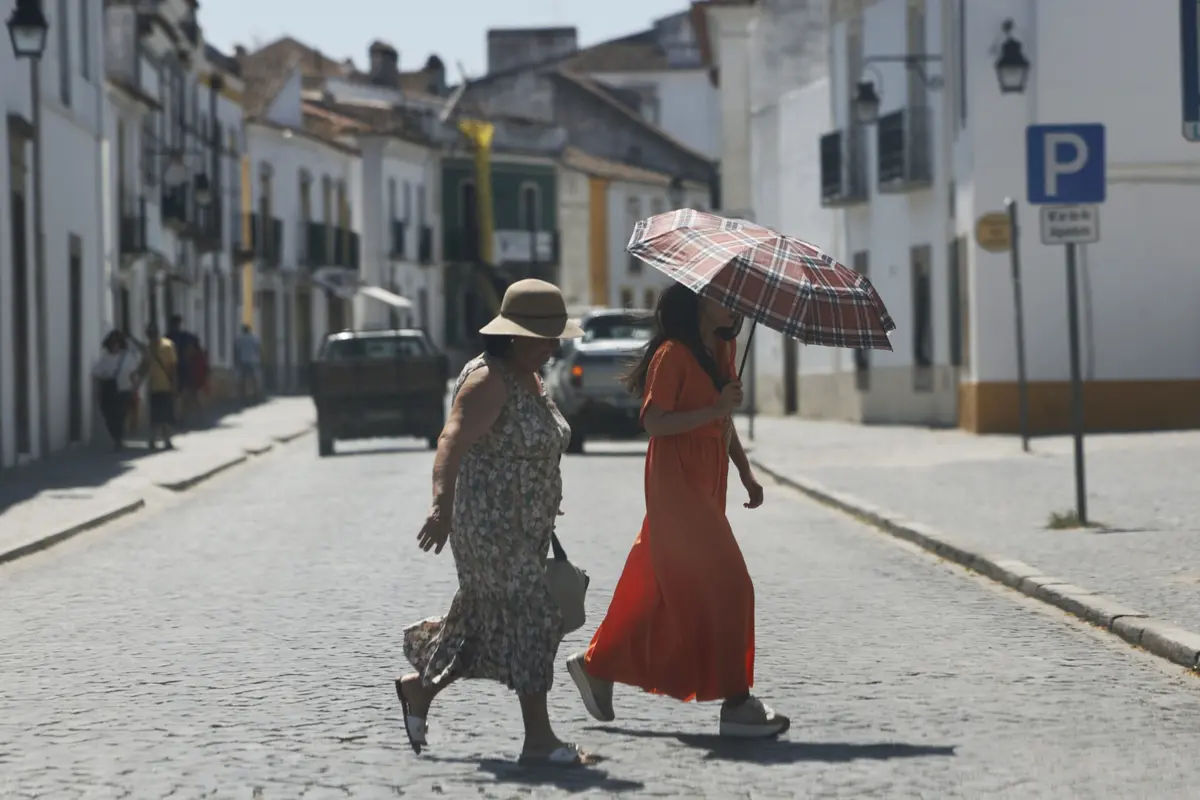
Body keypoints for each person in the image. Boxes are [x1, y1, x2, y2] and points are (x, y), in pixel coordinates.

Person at [563, 283, 789, 739]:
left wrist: (745, 472)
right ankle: (737, 704)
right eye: (725, 298)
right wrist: (714, 410)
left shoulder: (722, 349)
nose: (733, 306)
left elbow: (722, 421)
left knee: (659, 588)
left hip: (707, 479)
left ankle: (596, 664)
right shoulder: (672, 354)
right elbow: (654, 421)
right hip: (675, 481)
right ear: (700, 303)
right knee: (731, 585)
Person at [398, 279, 592, 766]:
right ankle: (539, 740)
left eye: (557, 338)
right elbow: (452, 441)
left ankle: (419, 690)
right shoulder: (488, 379)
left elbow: (527, 447)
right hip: (490, 529)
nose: (554, 347)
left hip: (525, 528)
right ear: (516, 335)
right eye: (547, 338)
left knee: (486, 625)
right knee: (534, 617)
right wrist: (440, 507)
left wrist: (544, 494)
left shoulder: (529, 376)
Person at [91, 330, 139, 451]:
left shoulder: (127, 357)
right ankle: (116, 437)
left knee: (120, 416)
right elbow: (97, 375)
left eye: (116, 343)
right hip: (108, 390)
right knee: (108, 415)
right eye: (111, 344)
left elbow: (133, 374)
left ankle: (118, 440)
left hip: (123, 390)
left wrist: (134, 388)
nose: (114, 346)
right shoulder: (105, 358)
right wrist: (98, 391)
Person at [136, 322, 178, 450]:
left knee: (166, 415)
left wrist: (174, 384)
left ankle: (167, 440)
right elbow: (144, 366)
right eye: (149, 334)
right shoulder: (148, 349)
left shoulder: (167, 346)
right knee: (154, 416)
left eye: (152, 334)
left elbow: (172, 366)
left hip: (166, 385)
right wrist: (137, 379)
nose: (151, 337)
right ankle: (153, 439)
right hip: (153, 386)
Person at [167, 315, 202, 426]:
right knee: (188, 393)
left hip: (173, 368)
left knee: (176, 394)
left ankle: (178, 417)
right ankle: (190, 416)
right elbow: (196, 346)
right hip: (185, 367)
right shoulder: (187, 336)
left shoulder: (168, 337)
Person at [234, 324, 262, 404]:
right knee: (254, 380)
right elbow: (258, 349)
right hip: (253, 361)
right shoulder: (255, 338)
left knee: (242, 380)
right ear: (249, 330)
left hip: (243, 361)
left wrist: (236, 361)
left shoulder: (239, 338)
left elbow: (236, 350)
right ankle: (256, 397)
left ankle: (242, 397)